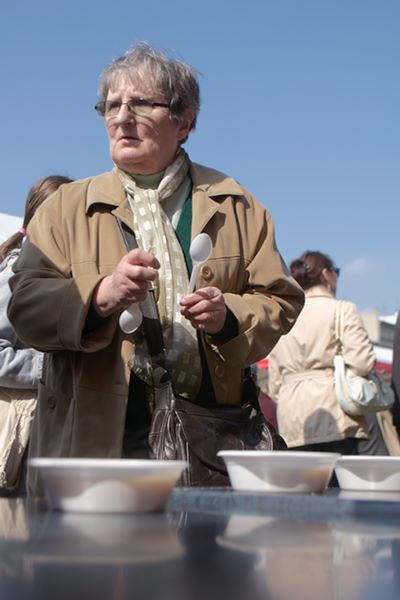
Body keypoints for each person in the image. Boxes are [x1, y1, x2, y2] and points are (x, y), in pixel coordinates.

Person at [8, 43, 304, 497]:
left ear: (184, 121)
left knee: (204, 565)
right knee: (96, 566)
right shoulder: (64, 209)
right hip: (95, 442)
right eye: (111, 105)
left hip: (209, 438)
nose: (122, 117)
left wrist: (229, 316)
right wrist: (100, 296)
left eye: (141, 103)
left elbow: (281, 300)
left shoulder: (238, 205)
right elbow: (25, 306)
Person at [268, 250, 383, 456]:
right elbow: (363, 362)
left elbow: (274, 383)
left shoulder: (285, 316)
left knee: (303, 484)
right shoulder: (342, 309)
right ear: (326, 273)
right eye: (336, 271)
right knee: (338, 483)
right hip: (334, 413)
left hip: (291, 417)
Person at [0, 175, 73, 494]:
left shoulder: (56, 275)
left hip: (41, 430)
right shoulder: (15, 276)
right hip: (16, 435)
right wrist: (49, 367)